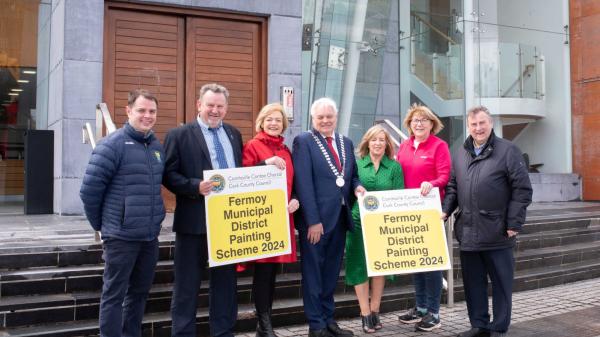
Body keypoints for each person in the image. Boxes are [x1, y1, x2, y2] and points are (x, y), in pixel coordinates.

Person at [80, 89, 165, 337]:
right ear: (128, 111)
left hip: (149, 237)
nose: (147, 116)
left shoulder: (155, 146)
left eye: (152, 111)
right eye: (141, 110)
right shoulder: (112, 145)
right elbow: (89, 193)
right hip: (121, 238)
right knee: (114, 295)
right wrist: (105, 226)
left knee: (139, 294)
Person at [442, 106, 532, 337]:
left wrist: (514, 223)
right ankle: (479, 325)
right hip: (469, 232)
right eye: (473, 124)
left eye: (482, 123)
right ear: (468, 127)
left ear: (490, 124)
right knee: (473, 284)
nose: (478, 128)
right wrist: (445, 211)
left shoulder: (508, 150)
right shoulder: (461, 153)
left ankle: (499, 327)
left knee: (501, 283)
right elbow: (453, 186)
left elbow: (522, 190)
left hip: (498, 230)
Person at [163, 83, 243, 337]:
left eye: (220, 106)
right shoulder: (180, 135)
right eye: (210, 105)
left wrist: (267, 166)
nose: (215, 110)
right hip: (194, 222)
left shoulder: (234, 134)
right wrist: (194, 186)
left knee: (226, 284)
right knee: (187, 286)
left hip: (228, 222)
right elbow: (167, 174)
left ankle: (223, 332)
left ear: (226, 108)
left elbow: (240, 174)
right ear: (199, 105)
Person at [292, 97, 366, 337]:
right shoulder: (304, 141)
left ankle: (328, 319)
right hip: (316, 223)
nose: (325, 121)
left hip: (340, 218)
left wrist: (357, 187)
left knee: (331, 273)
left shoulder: (346, 141)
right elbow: (303, 183)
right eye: (320, 117)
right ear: (313, 119)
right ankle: (316, 325)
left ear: (336, 117)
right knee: (314, 274)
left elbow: (351, 175)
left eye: (329, 116)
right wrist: (313, 220)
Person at [242, 103, 300, 337]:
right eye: (269, 119)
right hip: (261, 219)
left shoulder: (286, 149)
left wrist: (295, 199)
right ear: (261, 122)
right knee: (263, 273)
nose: (274, 123)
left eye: (278, 119)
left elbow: (293, 182)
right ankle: (264, 324)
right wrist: (264, 163)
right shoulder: (253, 146)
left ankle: (263, 325)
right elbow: (243, 177)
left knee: (273, 272)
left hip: (282, 217)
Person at [396, 104, 451, 332]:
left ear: (432, 124)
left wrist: (433, 183)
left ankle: (434, 313)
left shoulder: (439, 146)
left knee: (432, 263)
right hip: (409, 212)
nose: (418, 124)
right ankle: (420, 308)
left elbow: (445, 175)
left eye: (423, 120)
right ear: (409, 125)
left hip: (431, 211)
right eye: (415, 120)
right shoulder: (404, 146)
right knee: (417, 262)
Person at [345, 125, 404, 333]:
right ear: (367, 143)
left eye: (381, 140)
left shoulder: (395, 168)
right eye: (373, 140)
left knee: (380, 267)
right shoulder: (357, 165)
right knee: (359, 266)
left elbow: (399, 196)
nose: (378, 143)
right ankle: (365, 313)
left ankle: (375, 309)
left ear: (387, 144)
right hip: (358, 223)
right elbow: (349, 193)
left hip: (384, 225)